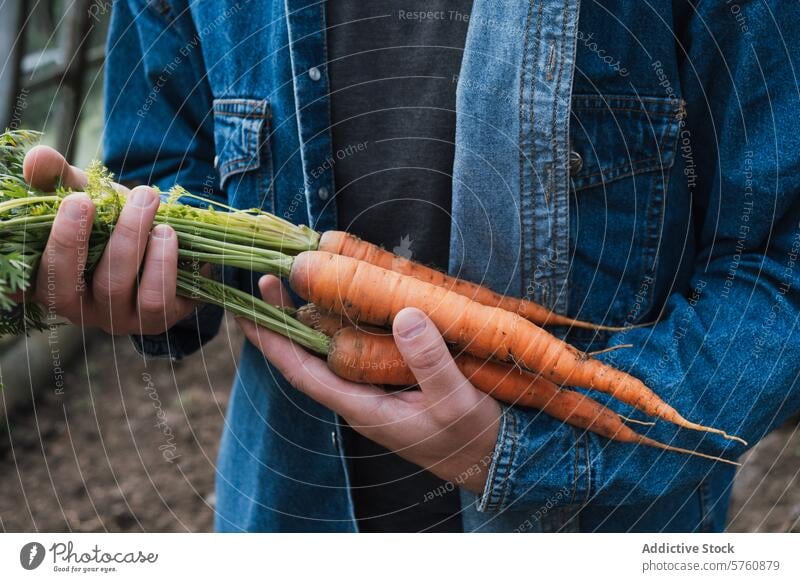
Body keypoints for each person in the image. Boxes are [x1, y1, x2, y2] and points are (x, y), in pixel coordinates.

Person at [23, 0, 800, 532]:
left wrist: (542, 454)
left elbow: (778, 258)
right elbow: (163, 166)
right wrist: (141, 282)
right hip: (291, 516)